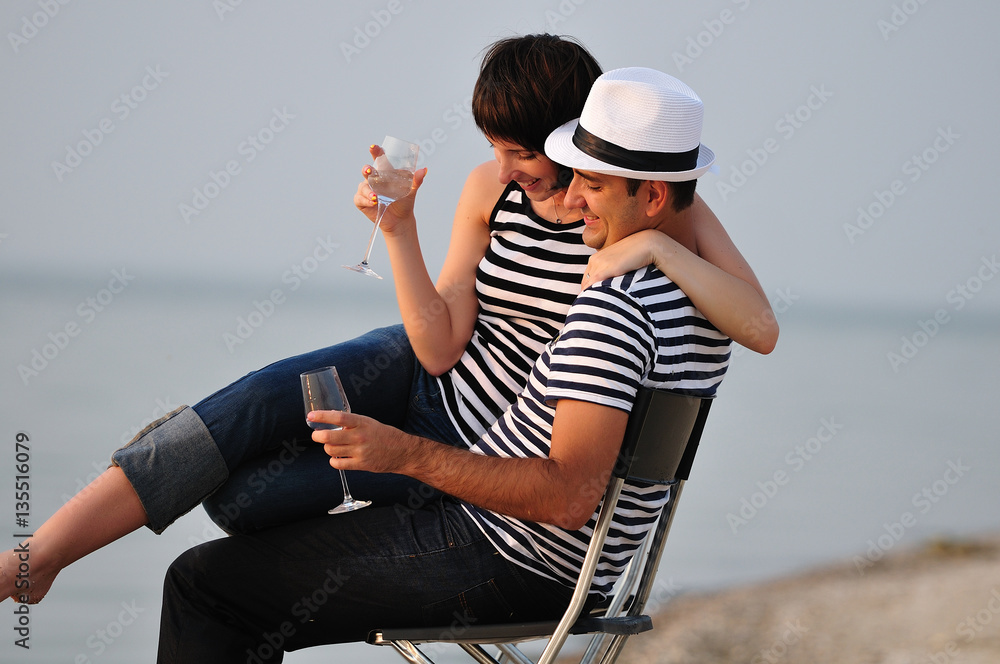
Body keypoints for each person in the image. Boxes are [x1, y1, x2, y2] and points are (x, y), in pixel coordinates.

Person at [0, 35, 774, 606]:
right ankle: (38, 559)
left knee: (239, 504)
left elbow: (760, 326)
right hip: (423, 376)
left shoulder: (656, 213)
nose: (505, 168)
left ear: (574, 142)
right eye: (494, 149)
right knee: (251, 406)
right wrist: (400, 228)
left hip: (479, 448)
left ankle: (357, 490)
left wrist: (659, 252)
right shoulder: (490, 191)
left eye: (518, 150)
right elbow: (438, 347)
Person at [155, 66, 732, 662]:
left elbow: (566, 498)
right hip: (546, 554)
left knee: (206, 586)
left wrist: (403, 456)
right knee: (243, 516)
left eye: (590, 183)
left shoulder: (613, 308)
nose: (573, 197)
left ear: (654, 195)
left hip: (509, 557)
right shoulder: (703, 303)